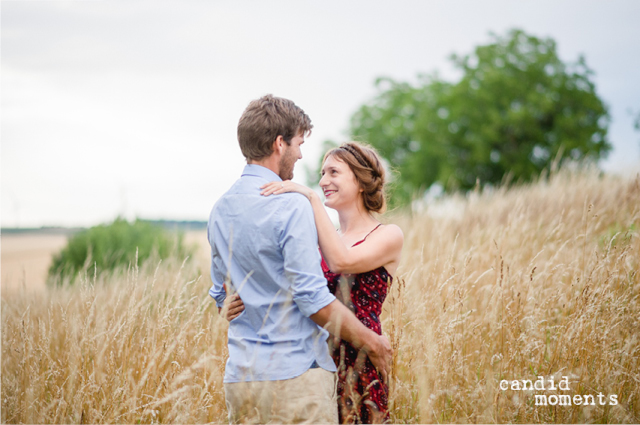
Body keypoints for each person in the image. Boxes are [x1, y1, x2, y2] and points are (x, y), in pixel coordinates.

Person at [208, 95, 393, 424]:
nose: (301, 153)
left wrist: (228, 304)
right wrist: (374, 343)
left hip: (240, 378)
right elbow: (312, 299)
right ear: (280, 143)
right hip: (295, 376)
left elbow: (221, 294)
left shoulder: (220, 209)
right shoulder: (291, 205)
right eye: (299, 143)